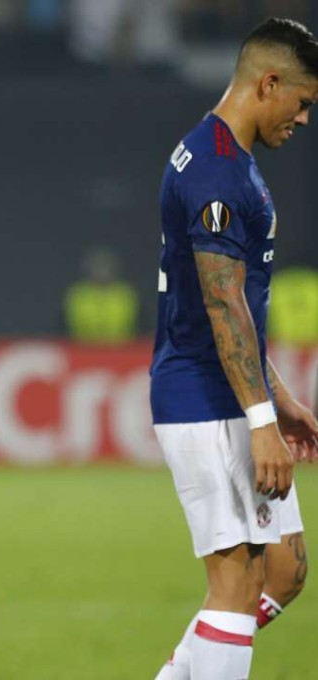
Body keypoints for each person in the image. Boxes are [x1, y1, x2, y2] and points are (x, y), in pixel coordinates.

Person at [150, 18, 318, 680]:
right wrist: (261, 421)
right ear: (269, 83)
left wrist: (279, 398)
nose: (303, 120)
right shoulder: (218, 172)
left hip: (230, 391)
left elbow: (235, 307)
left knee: (285, 569)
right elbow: (222, 306)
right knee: (237, 583)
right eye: (302, 103)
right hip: (203, 397)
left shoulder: (228, 157)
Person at [64, 246, 139, 344]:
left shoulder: (126, 294)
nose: (101, 272)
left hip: (121, 348)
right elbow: (69, 326)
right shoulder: (77, 294)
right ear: (89, 270)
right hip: (83, 348)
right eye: (97, 267)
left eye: (105, 267)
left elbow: (134, 325)